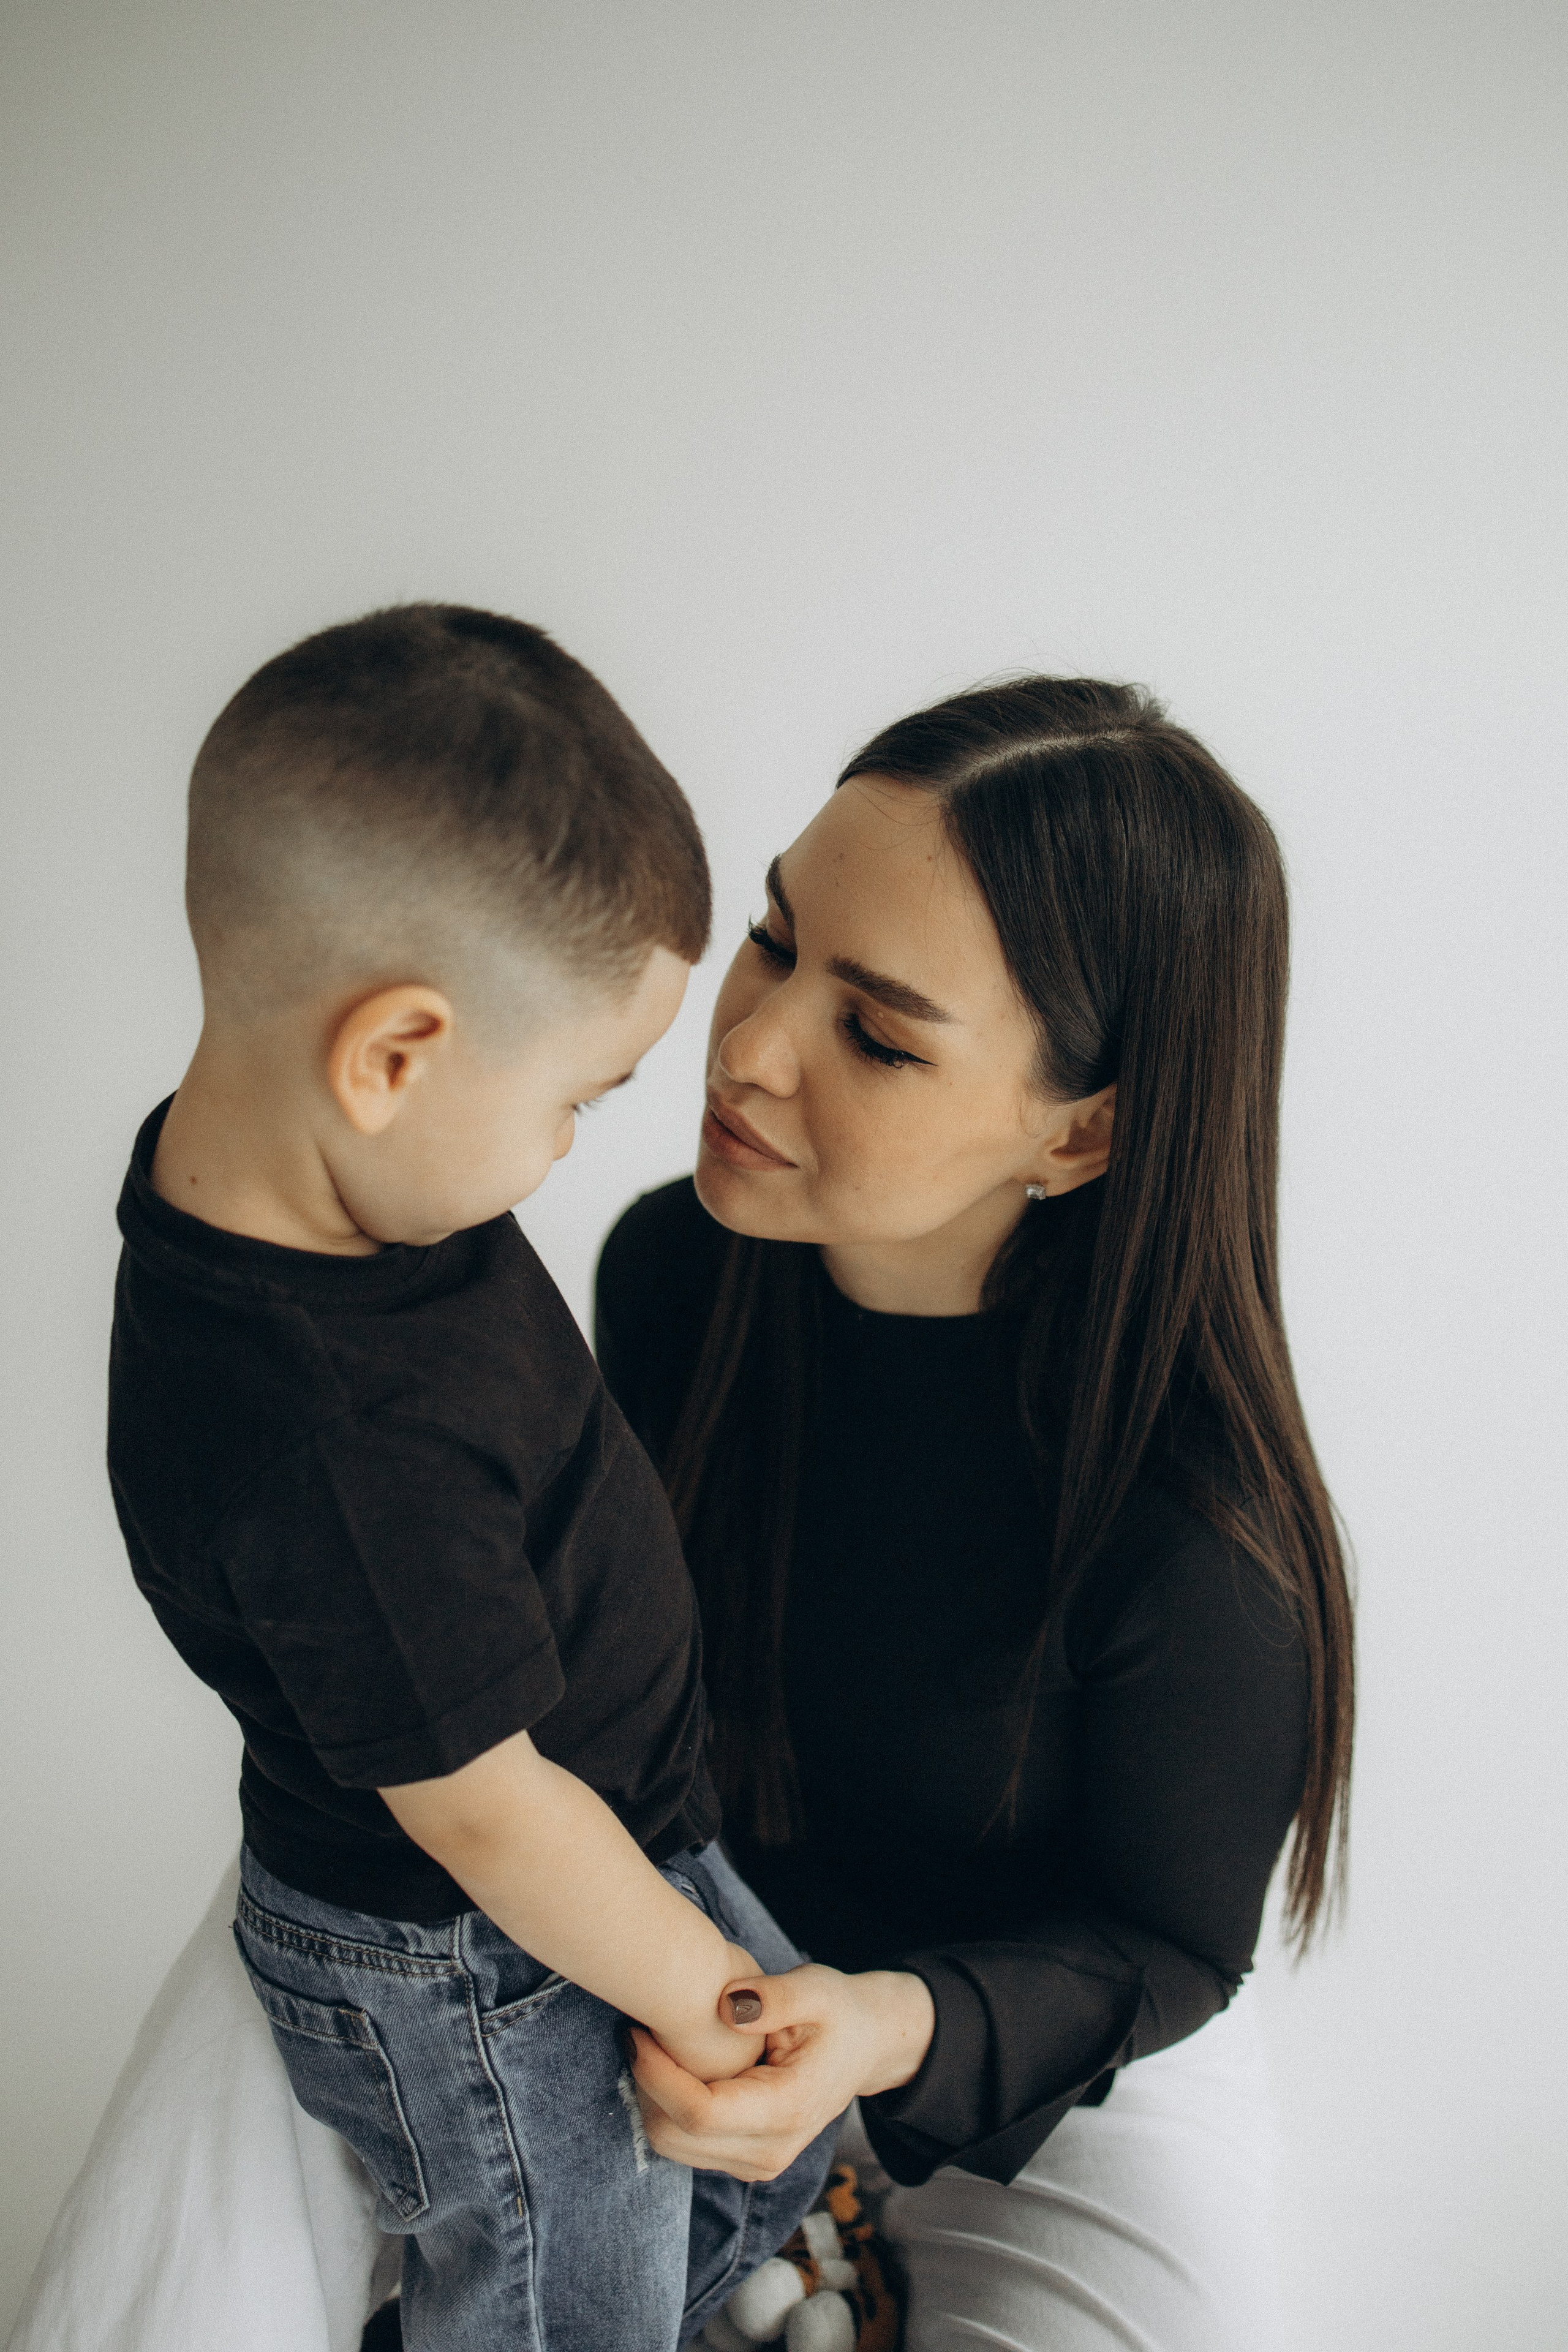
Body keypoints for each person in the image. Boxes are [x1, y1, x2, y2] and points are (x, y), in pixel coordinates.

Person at [99, 606, 834, 2352]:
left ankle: (728, 2284)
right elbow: (491, 1816)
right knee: (558, 2283)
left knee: (770, 2156)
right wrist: (695, 1988)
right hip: (475, 1957)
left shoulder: (325, 1179)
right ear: (397, 1056)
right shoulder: (325, 1448)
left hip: (619, 1826)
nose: (576, 1147)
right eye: (580, 1096)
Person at [599, 676, 1354, 2351]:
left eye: (874, 1030)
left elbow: (1164, 1948)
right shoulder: (669, 1276)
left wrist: (879, 2032)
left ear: (1081, 1134)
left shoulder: (1196, 1534)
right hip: (687, 1986)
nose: (748, 1048)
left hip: (1051, 2078)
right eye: (776, 936)